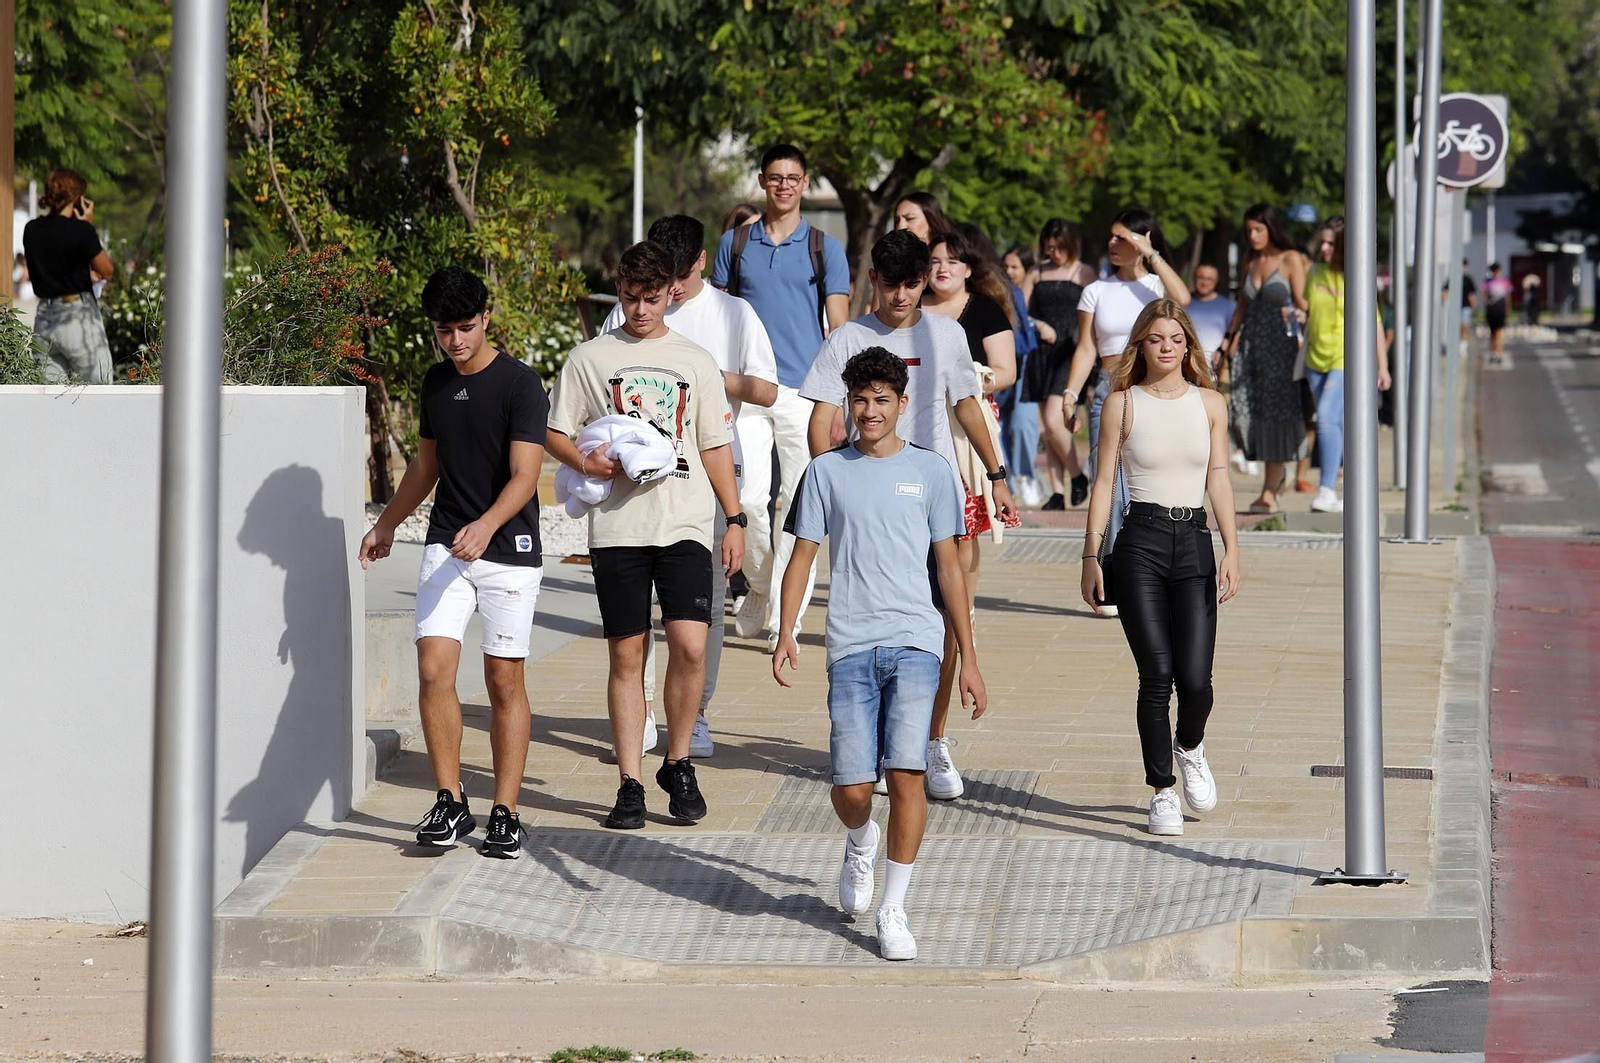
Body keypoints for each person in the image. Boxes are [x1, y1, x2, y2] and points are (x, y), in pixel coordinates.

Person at [774, 347, 985, 960]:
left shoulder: (933, 471)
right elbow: (803, 557)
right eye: (860, 400)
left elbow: (950, 568)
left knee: (907, 773)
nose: (870, 411)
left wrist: (969, 658)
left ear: (902, 403)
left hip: (918, 640)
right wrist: (786, 631)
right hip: (849, 643)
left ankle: (893, 907)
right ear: (848, 403)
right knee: (853, 788)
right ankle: (860, 839)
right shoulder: (825, 472)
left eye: (882, 400)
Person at [800, 229, 1017, 801]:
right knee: (871, 626)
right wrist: (832, 483)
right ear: (873, 280)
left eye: (913, 284)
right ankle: (876, 740)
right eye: (891, 284)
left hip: (933, 497)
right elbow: (820, 421)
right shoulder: (848, 338)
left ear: (926, 281)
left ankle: (931, 739)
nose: (901, 296)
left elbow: (966, 406)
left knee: (946, 620)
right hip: (868, 507)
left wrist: (997, 476)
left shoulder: (946, 335)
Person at [546, 241, 747, 830]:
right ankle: (629, 782)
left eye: (652, 298)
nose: (640, 310)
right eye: (631, 298)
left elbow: (714, 444)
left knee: (690, 645)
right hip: (618, 529)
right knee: (627, 654)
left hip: (686, 522)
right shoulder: (588, 358)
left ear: (670, 295)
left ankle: (677, 763)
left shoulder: (696, 360)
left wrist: (735, 519)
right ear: (619, 291)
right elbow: (555, 431)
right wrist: (585, 462)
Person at [358, 267, 549, 859]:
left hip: (508, 551)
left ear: (486, 318)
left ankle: (506, 812)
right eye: (445, 330)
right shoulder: (437, 383)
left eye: (466, 327)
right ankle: (450, 800)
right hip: (446, 545)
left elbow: (526, 475)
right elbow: (425, 466)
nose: (456, 340)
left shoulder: (521, 384)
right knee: (433, 670)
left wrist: (487, 526)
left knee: (503, 680)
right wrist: (387, 524)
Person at [601, 215, 779, 761]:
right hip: (635, 489)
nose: (670, 289)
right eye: (662, 276)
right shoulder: (629, 309)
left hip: (709, 475)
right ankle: (642, 711)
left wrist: (705, 376)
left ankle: (695, 710)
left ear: (702, 261)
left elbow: (767, 390)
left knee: (703, 608)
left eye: (680, 274)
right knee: (639, 610)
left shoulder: (733, 313)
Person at [1079, 300, 1240, 837]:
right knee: (1156, 676)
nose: (1166, 347)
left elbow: (1219, 476)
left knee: (1196, 682)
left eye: (1175, 338)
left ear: (1188, 345)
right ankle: (1162, 791)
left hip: (1194, 540)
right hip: (1139, 545)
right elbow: (1104, 482)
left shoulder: (1210, 403)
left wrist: (1232, 549)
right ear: (1141, 346)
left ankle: (1189, 745)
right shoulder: (1121, 404)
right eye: (1155, 338)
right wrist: (1090, 555)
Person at [713, 144, 851, 649]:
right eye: (776, 177)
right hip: (747, 389)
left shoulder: (824, 247)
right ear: (762, 181)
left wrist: (840, 403)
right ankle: (759, 584)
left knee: (797, 506)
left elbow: (839, 330)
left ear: (805, 183)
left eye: (793, 178)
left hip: (805, 391)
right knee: (747, 498)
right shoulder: (735, 243)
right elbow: (717, 315)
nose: (784, 186)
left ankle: (785, 620)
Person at [1060, 208, 1191, 616]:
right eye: (1112, 237)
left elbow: (1183, 300)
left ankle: (1148, 574)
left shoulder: (1156, 285)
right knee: (1110, 483)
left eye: (1123, 237)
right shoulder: (1096, 290)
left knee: (1145, 484)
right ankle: (1111, 579)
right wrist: (1070, 392)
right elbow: (1086, 346)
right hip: (1107, 385)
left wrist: (1149, 254)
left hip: (1152, 390)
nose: (1113, 244)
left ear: (1142, 238)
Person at [1301, 217, 1392, 513]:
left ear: (1343, 245)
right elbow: (1309, 312)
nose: (1324, 248)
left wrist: (1382, 367)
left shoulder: (1358, 276)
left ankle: (1326, 489)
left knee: (1326, 418)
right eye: (1322, 242)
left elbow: (1375, 323)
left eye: (1331, 243)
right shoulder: (1315, 272)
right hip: (1315, 358)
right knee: (1336, 423)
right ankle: (1348, 486)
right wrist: (1298, 317)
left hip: (1344, 357)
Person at [1222, 203, 1307, 515]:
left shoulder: (1290, 258)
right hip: (1251, 349)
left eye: (1258, 229)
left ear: (1271, 228)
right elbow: (1241, 308)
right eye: (1249, 231)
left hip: (1282, 349)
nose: (1253, 236)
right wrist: (1226, 342)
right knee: (1246, 412)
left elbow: (1303, 302)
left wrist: (1306, 314)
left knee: (1276, 414)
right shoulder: (1250, 260)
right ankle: (1274, 478)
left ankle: (1270, 489)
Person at [1025, 218, 1096, 510]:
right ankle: (1057, 492)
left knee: (1055, 420)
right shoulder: (1036, 272)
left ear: (1071, 246)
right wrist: (1038, 324)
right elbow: (1020, 312)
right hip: (1042, 352)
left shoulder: (1084, 272)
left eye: (1060, 248)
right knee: (1049, 426)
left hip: (1071, 352)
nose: (1054, 254)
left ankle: (1077, 475)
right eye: (1050, 248)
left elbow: (1095, 314)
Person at [22, 168, 116, 384]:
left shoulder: (31, 229)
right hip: (76, 314)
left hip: (44, 317)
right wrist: (87, 226)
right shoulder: (82, 231)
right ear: (77, 198)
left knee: (52, 398)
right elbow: (107, 271)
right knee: (99, 390)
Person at [1001, 245, 1046, 507]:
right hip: (1004, 358)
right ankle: (1009, 477)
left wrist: (1036, 323)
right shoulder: (1002, 291)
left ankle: (1027, 477)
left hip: (1027, 360)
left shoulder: (1033, 292)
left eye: (1015, 267)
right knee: (1000, 424)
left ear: (1028, 269)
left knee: (1022, 423)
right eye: (1006, 266)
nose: (1009, 271)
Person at [1483, 262, 1513, 365]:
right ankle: (1493, 353)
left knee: (1499, 332)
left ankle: (1499, 353)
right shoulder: (1487, 281)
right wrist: (1488, 302)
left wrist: (1508, 309)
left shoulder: (1504, 281)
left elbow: (1508, 297)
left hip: (1500, 309)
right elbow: (1484, 294)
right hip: (1491, 310)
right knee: (1492, 333)